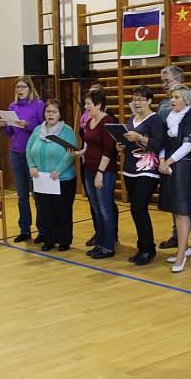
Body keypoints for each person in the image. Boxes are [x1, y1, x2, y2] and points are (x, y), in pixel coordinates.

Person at [156, 66, 191, 254]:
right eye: (162, 82)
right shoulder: (163, 104)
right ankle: (178, 236)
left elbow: (189, 137)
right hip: (167, 157)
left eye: (167, 81)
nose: (164, 85)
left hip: (183, 160)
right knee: (174, 200)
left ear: (179, 79)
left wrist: (170, 159)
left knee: (186, 200)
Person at [118, 85, 165, 265]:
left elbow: (158, 144)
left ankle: (148, 248)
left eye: (140, 99)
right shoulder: (132, 118)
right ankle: (142, 247)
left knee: (139, 207)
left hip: (148, 169)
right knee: (135, 209)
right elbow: (128, 142)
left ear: (150, 101)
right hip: (130, 168)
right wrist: (120, 146)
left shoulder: (155, 120)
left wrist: (140, 138)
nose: (136, 103)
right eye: (134, 99)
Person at [26, 99, 77, 252]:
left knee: (62, 210)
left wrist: (58, 169)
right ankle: (49, 239)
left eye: (54, 111)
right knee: (45, 210)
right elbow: (29, 150)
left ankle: (64, 240)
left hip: (62, 178)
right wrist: (32, 166)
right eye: (48, 111)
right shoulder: (37, 130)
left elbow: (71, 152)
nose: (51, 114)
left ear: (60, 114)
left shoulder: (66, 131)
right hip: (42, 179)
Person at [0, 75, 45, 243]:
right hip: (16, 153)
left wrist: (28, 125)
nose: (20, 90)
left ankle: (43, 230)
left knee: (37, 194)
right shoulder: (12, 106)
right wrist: (4, 127)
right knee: (22, 195)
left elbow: (43, 128)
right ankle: (25, 229)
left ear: (30, 88)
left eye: (23, 87)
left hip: (32, 154)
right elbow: (10, 133)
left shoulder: (38, 105)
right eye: (17, 87)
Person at [79, 89, 118, 259]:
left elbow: (108, 151)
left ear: (99, 105)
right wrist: (80, 153)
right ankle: (100, 241)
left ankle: (108, 246)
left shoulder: (107, 121)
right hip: (89, 169)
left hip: (103, 172)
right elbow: (89, 145)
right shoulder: (89, 123)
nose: (86, 106)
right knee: (96, 208)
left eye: (88, 103)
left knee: (105, 209)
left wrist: (100, 172)